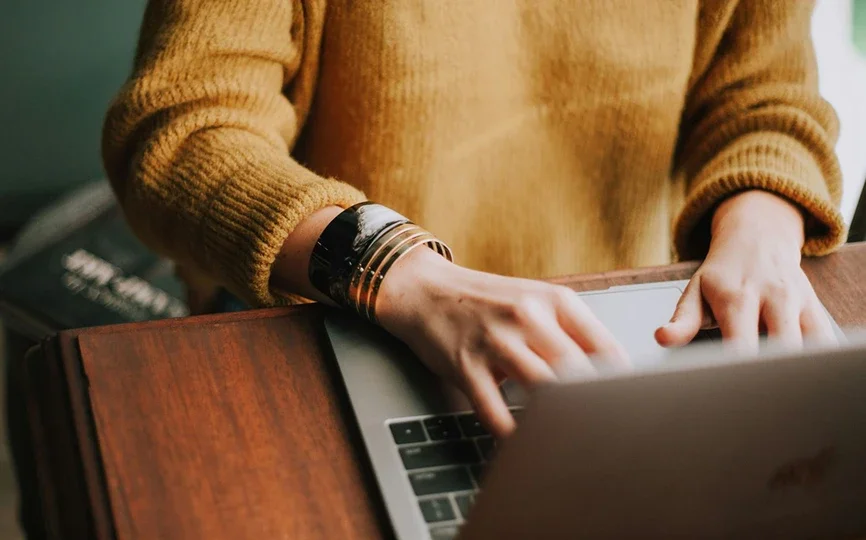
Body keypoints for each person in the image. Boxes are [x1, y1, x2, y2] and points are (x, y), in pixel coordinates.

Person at [103, 0, 846, 438]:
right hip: (337, 326)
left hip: (619, 346)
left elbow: (765, 96)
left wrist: (762, 224)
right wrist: (397, 269)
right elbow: (182, 130)